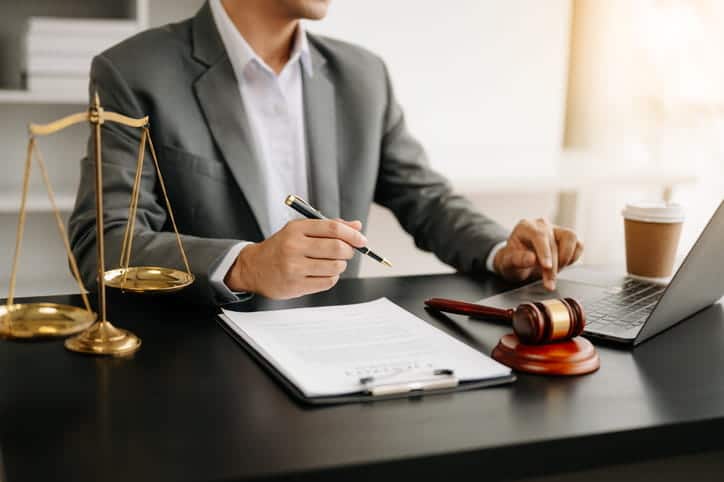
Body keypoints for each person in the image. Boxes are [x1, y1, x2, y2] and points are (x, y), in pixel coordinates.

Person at [68, 0, 583, 304]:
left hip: (336, 350)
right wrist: (245, 265)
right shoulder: (134, 71)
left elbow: (426, 199)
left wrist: (500, 249)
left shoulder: (362, 75)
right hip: (199, 357)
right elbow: (105, 244)